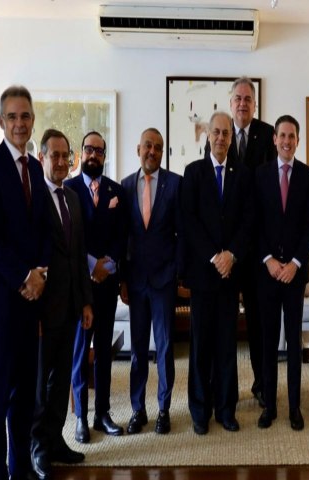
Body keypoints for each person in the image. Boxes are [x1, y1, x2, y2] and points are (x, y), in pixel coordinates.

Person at [0, 85, 50, 480]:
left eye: (25, 116)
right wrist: (24, 276)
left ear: (33, 120)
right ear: (1, 121)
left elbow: (43, 231)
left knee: (24, 400)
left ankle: (20, 472)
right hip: (0, 305)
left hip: (30, 304)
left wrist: (41, 275)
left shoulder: (35, 169)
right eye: (12, 117)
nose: (19, 124)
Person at [183, 111, 254, 435]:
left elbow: (248, 221)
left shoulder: (243, 175)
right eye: (217, 132)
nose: (221, 138)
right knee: (200, 346)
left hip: (230, 275)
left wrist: (231, 255)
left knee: (227, 346)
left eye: (226, 133)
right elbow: (189, 221)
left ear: (231, 137)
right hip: (203, 275)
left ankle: (226, 409)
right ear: (208, 135)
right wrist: (214, 256)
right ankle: (200, 411)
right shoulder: (193, 172)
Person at [30, 129, 94, 479]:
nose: (59, 161)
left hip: (70, 307)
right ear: (42, 157)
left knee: (60, 382)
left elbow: (78, 255)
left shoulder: (72, 197)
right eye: (53, 155)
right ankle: (37, 448)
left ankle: (55, 440)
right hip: (42, 311)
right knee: (40, 385)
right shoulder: (33, 198)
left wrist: (85, 302)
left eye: (64, 156)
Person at [211, 76, 277, 407]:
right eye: (237, 98)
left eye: (247, 99)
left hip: (256, 248)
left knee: (257, 323)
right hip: (226, 250)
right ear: (230, 102)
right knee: (223, 323)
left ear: (255, 103)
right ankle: (225, 390)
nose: (242, 103)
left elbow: (270, 190)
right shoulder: (218, 136)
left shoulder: (267, 135)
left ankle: (262, 383)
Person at [254, 115, 309, 431]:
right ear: (275, 139)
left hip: (294, 275)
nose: (287, 141)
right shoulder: (260, 174)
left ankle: (294, 407)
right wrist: (268, 260)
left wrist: (295, 262)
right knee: (268, 343)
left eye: (292, 136)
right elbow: (254, 223)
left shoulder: (307, 175)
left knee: (294, 343)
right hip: (267, 274)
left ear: (297, 140)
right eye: (282, 135)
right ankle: (269, 406)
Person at [120, 128, 184, 435]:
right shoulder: (124, 186)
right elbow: (122, 237)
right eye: (148, 146)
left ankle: (163, 409)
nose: (153, 152)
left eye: (158, 147)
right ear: (139, 149)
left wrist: (177, 272)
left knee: (165, 347)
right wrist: (122, 280)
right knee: (137, 351)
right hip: (135, 281)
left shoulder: (175, 184)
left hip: (164, 280)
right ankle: (138, 410)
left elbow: (182, 233)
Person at [67, 131, 128, 443]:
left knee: (104, 352)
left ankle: (102, 413)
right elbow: (68, 238)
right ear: (81, 153)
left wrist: (110, 264)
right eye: (89, 149)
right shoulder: (68, 189)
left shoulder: (116, 191)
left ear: (105, 156)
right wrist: (93, 265)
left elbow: (122, 235)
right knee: (80, 352)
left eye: (99, 151)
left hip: (107, 286)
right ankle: (81, 417)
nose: (93, 155)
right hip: (80, 285)